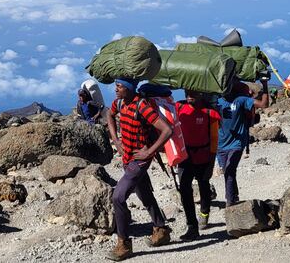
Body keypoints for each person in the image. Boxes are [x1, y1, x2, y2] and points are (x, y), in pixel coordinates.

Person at [106, 78, 173, 261]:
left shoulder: (141, 106)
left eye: (119, 86)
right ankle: (161, 229)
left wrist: (149, 152)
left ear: (128, 89)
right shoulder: (119, 103)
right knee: (144, 194)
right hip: (127, 157)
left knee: (118, 197)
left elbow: (167, 130)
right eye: (116, 85)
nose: (116, 89)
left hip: (140, 161)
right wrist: (116, 140)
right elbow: (109, 115)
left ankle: (124, 244)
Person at [175, 91, 221, 240]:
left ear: (202, 93)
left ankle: (204, 213)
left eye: (194, 92)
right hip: (185, 156)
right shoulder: (179, 108)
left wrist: (212, 162)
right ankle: (192, 227)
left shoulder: (209, 113)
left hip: (203, 156)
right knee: (184, 189)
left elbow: (214, 139)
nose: (189, 94)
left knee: (203, 184)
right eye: (187, 91)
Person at [216, 79, 269, 207]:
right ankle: (234, 196)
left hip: (237, 142)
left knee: (229, 170)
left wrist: (265, 85)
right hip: (220, 144)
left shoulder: (240, 100)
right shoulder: (216, 102)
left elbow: (263, 104)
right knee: (227, 171)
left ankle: (230, 202)